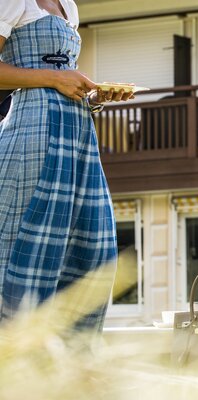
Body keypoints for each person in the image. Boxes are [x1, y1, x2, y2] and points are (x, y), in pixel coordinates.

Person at [0, 0, 134, 331]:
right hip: (32, 129)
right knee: (31, 242)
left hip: (78, 134)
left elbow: (65, 78)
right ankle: (17, 352)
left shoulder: (69, 6)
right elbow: (50, 77)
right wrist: (54, 78)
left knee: (92, 243)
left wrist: (95, 97)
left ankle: (70, 360)